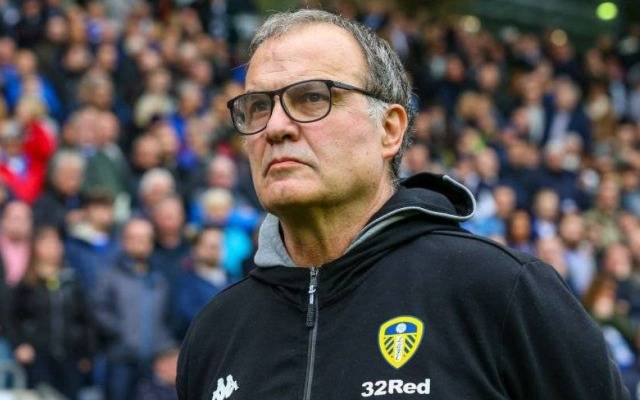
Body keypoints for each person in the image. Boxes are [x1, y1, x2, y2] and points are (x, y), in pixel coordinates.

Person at [177, 9, 628, 400]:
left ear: (390, 130)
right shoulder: (215, 331)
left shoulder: (502, 291)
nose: (275, 127)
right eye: (257, 106)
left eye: (312, 97)